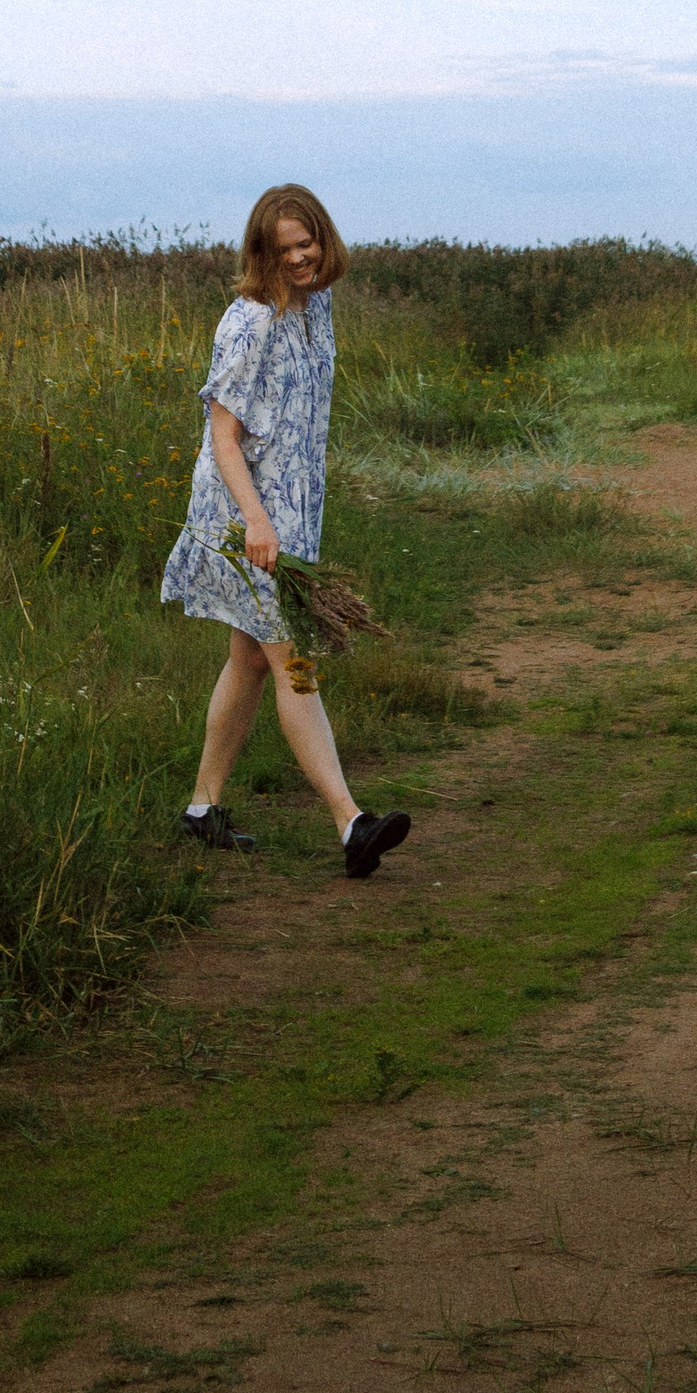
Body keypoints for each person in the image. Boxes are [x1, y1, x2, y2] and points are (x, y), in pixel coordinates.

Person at [160, 184, 412, 883]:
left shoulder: (317, 305)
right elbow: (223, 434)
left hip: (291, 520)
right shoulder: (249, 323)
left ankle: (202, 810)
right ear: (262, 254)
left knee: (247, 660)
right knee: (290, 658)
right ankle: (349, 821)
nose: (300, 259)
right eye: (285, 250)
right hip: (248, 519)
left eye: (308, 244)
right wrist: (258, 524)